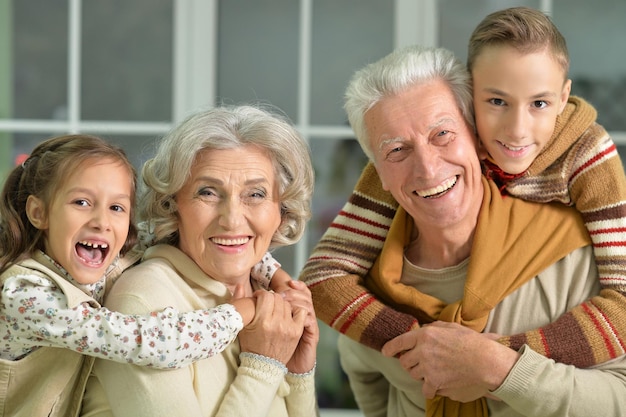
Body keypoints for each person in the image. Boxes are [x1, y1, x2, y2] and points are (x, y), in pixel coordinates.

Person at [295, 6, 626, 370]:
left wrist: (494, 358)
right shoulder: (409, 157)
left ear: (563, 98)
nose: (516, 129)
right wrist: (422, 343)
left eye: (539, 103)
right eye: (496, 101)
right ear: (470, 96)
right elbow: (323, 276)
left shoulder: (588, 156)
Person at [0, 134, 277, 417]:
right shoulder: (26, 296)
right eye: (81, 202)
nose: (101, 222)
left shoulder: (113, 256)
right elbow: (152, 344)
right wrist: (240, 312)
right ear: (38, 212)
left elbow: (221, 239)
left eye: (116, 207)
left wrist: (276, 277)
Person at [80, 105, 319, 417]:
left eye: (256, 195)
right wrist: (263, 367)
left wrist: (299, 373)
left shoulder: (269, 299)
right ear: (172, 204)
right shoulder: (143, 300)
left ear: (282, 211)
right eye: (208, 192)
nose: (232, 220)